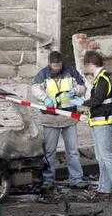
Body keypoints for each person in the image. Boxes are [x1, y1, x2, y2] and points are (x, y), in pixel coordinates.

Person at [71, 51, 112, 198]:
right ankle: (104, 188)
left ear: (91, 64)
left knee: (106, 156)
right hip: (102, 120)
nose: (86, 69)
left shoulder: (103, 79)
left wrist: (81, 103)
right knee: (101, 156)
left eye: (86, 66)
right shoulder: (103, 78)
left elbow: (97, 101)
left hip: (104, 121)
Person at [32, 51, 88, 189]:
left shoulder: (71, 72)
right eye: (54, 65)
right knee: (50, 152)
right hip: (50, 118)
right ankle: (48, 179)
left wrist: (76, 91)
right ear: (50, 64)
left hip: (69, 118)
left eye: (59, 65)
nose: (57, 68)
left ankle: (76, 178)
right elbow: (35, 89)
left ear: (62, 63)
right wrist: (44, 98)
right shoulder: (43, 74)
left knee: (73, 151)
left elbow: (82, 87)